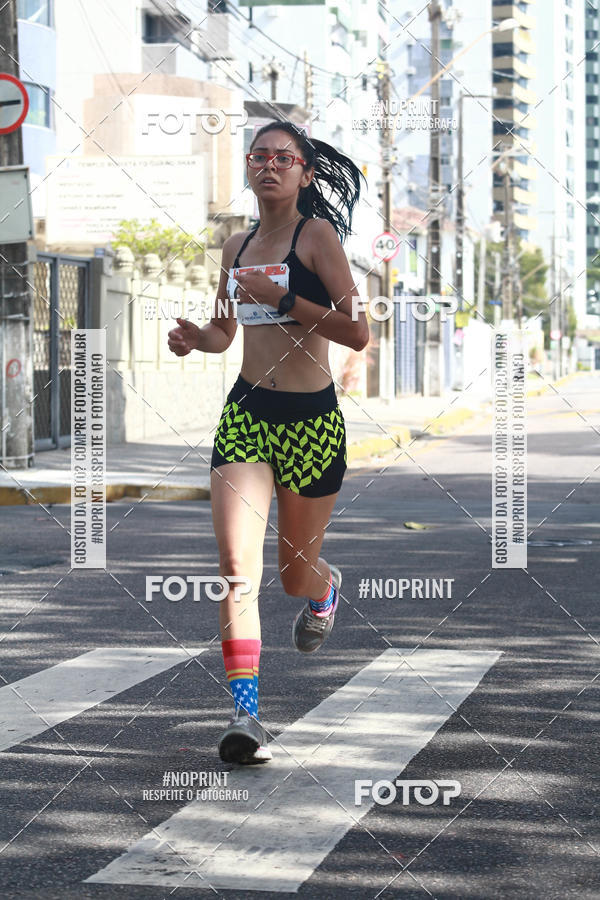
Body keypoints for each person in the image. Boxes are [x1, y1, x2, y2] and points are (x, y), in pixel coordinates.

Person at [167, 119, 368, 765]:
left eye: (284, 157)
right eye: (259, 156)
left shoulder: (318, 237)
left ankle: (324, 589)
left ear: (306, 173)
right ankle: (245, 716)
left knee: (293, 579)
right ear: (249, 167)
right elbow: (227, 332)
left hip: (311, 419)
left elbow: (357, 332)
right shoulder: (236, 244)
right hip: (247, 414)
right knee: (235, 571)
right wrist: (199, 338)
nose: (269, 165)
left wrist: (285, 299)